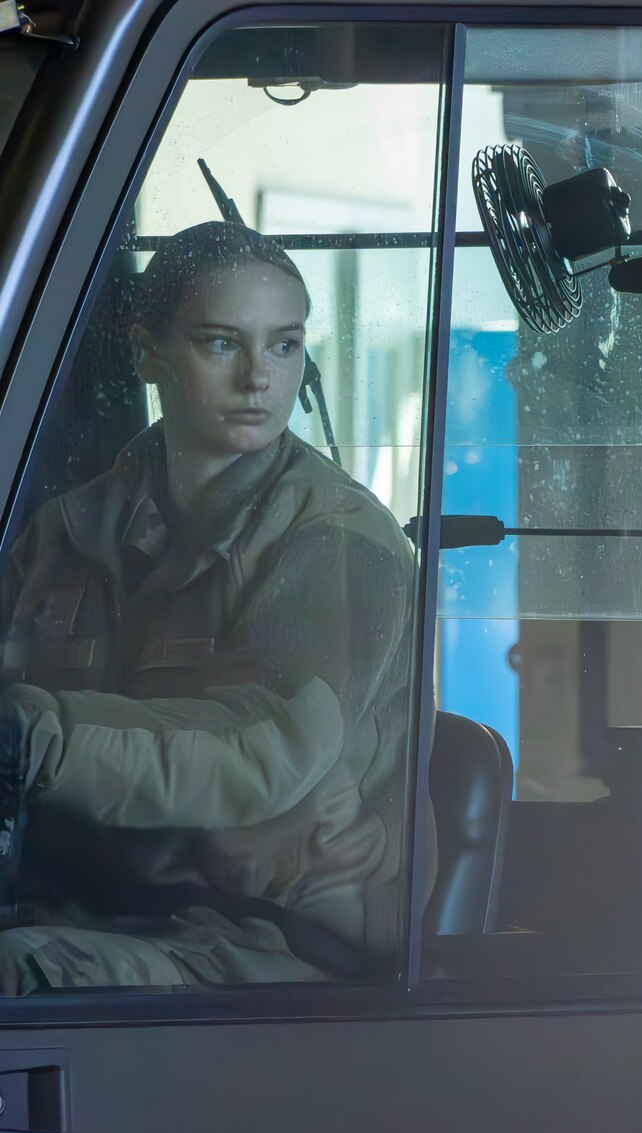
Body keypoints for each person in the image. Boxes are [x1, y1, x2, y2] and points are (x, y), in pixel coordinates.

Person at [0, 220, 415, 992]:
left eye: (285, 345)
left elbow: (264, 754)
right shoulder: (66, 533)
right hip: (88, 916)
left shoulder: (341, 545)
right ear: (145, 350)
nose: (260, 376)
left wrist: (33, 743)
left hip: (265, 951)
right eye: (223, 343)